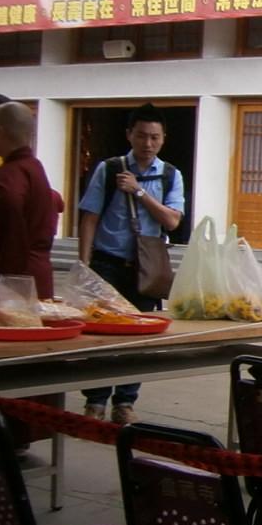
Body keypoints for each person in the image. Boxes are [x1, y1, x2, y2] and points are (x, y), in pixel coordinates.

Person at [78, 104, 186, 423]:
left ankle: (124, 403)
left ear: (163, 138)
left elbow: (172, 221)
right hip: (107, 263)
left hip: (146, 268)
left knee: (138, 338)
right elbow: (89, 217)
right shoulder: (109, 169)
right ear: (129, 135)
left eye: (154, 137)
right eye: (141, 135)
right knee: (101, 335)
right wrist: (84, 263)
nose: (147, 143)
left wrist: (139, 192)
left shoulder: (170, 175)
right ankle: (95, 401)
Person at [0, 97, 57, 298]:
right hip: (38, 273)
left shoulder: (9, 175)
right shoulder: (35, 167)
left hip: (15, 281)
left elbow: (10, 210)